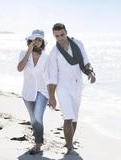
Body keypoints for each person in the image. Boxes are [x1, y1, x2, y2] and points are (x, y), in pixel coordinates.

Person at [47, 23, 96, 154]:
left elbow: (85, 61)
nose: (60, 38)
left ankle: (70, 142)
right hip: (63, 87)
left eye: (62, 34)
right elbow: (52, 76)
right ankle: (69, 148)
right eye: (57, 36)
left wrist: (90, 73)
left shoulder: (78, 43)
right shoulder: (54, 52)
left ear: (66, 32)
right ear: (54, 36)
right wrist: (51, 97)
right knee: (68, 117)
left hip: (78, 85)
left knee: (74, 117)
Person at [17, 29, 49, 155]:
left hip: (43, 91)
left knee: (37, 117)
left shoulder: (46, 57)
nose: (37, 41)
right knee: (33, 119)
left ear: (42, 43)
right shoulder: (23, 53)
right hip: (28, 92)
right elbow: (19, 68)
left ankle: (38, 144)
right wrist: (29, 51)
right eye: (34, 39)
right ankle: (39, 137)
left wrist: (52, 95)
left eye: (39, 40)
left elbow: (51, 76)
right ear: (30, 41)